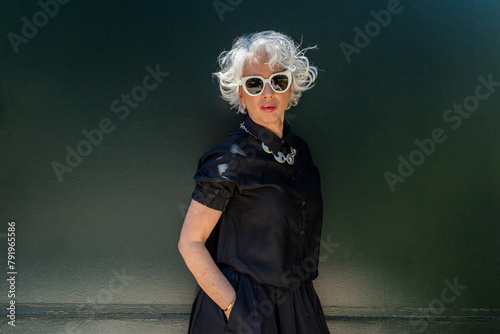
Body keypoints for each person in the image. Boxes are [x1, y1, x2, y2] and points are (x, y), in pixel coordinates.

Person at [178, 30, 330, 333]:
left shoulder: (300, 152)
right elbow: (190, 242)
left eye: (278, 81)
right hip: (245, 314)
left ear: (291, 88)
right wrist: (234, 306)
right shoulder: (229, 157)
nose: (267, 93)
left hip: (298, 308)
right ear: (241, 93)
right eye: (254, 83)